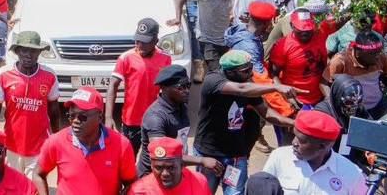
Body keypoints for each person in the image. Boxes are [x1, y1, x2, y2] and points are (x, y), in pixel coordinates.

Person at [193, 50, 302, 195]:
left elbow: (267, 113)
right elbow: (241, 90)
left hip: (236, 155)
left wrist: (295, 123)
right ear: (230, 72)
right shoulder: (213, 81)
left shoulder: (248, 85)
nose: (251, 74)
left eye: (251, 68)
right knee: (204, 192)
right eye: (246, 71)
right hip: (209, 153)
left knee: (236, 193)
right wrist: (276, 86)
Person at [34, 86, 137, 195]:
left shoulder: (121, 145)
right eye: (71, 116)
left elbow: (131, 182)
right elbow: (38, 174)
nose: (75, 121)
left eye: (82, 117)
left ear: (100, 117)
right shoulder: (56, 142)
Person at [0, 31, 60, 180]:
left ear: (39, 52)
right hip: (11, 146)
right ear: (17, 51)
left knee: (34, 188)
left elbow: (54, 112)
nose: (28, 54)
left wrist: (56, 138)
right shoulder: (3, 75)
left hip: (40, 147)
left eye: (33, 50)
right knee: (12, 186)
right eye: (24, 50)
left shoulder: (50, 76)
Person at [138, 65, 222, 177]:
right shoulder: (155, 117)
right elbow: (161, 153)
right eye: (180, 87)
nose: (186, 91)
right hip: (154, 175)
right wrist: (201, 160)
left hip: (174, 170)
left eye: (188, 85)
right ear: (164, 88)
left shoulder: (182, 106)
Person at [106, 18, 172, 155]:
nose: (139, 45)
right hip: (131, 120)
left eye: (144, 42)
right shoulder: (125, 58)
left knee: (155, 156)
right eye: (137, 40)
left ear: (155, 41)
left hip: (156, 119)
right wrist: (108, 117)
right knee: (128, 157)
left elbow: (169, 88)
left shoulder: (165, 58)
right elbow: (113, 86)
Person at [262, 110, 367, 195]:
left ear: (322, 146)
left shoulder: (352, 174)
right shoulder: (279, 157)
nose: (294, 142)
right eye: (295, 136)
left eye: (301, 140)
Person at [325, 30, 387, 118]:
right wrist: (334, 106)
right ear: (358, 52)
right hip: (354, 110)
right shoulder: (340, 61)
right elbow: (324, 83)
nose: (377, 57)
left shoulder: (380, 57)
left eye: (379, 52)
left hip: (379, 104)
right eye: (373, 54)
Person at [169, 0, 237, 73]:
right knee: (217, 73)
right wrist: (177, 18)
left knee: (224, 72)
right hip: (207, 41)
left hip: (224, 41)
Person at [269, 8, 329, 108]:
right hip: (297, 101)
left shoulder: (320, 35)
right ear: (292, 26)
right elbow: (273, 74)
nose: (304, 33)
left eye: (308, 29)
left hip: (320, 98)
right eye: (300, 29)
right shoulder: (282, 46)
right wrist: (287, 96)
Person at [129, 137, 210, 195]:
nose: (165, 173)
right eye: (158, 168)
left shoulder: (199, 182)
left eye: (170, 168)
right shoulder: (139, 192)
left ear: (182, 165)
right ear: (151, 166)